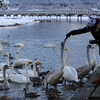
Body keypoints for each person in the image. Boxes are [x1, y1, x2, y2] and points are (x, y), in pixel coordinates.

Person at [64, 14, 100, 84]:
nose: (89, 26)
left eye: (90, 25)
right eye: (88, 24)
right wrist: (71, 33)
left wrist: (94, 41)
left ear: (95, 24)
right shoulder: (91, 27)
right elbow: (81, 30)